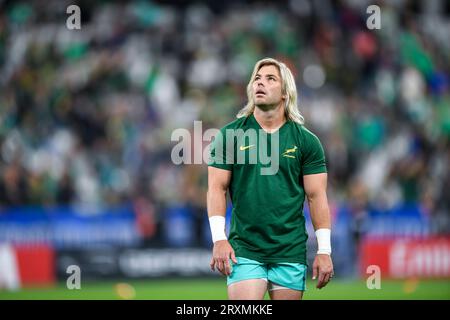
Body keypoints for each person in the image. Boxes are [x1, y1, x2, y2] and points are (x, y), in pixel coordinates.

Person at [207, 57, 334, 300]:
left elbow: (316, 196)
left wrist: (324, 250)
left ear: (285, 92)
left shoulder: (306, 141)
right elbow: (216, 188)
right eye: (256, 78)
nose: (260, 83)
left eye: (270, 79)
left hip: (290, 249)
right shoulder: (229, 135)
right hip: (244, 248)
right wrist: (219, 239)